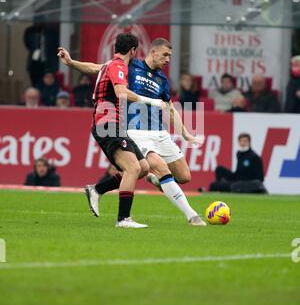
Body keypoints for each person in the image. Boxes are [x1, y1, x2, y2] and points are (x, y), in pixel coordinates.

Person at [59, 37, 206, 227]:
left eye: (170, 56)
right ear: (153, 52)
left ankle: (99, 189)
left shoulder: (162, 79)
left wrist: (185, 133)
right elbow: (97, 68)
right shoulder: (129, 65)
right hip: (135, 132)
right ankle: (192, 216)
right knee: (160, 167)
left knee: (183, 176)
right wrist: (71, 63)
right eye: (165, 55)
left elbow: (169, 107)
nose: (168, 59)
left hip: (159, 133)